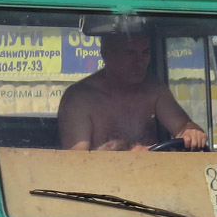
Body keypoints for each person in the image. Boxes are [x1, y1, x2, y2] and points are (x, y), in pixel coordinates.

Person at [58, 31, 208, 151]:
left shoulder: (154, 90)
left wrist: (192, 134)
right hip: (102, 185)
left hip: (154, 180)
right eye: (130, 53)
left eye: (145, 52)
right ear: (106, 54)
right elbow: (76, 162)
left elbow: (183, 128)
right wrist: (126, 153)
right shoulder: (80, 98)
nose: (139, 62)